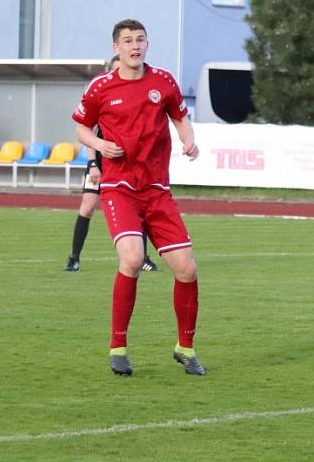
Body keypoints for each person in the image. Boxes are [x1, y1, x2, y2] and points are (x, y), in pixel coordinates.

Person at [72, 19, 204, 377]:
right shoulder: (101, 88)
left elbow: (180, 115)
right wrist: (100, 145)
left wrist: (187, 139)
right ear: (116, 47)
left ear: (147, 45)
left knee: (187, 269)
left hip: (157, 189)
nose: (135, 46)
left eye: (140, 40)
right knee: (131, 259)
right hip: (119, 188)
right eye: (128, 41)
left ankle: (186, 348)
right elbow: (82, 127)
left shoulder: (163, 81)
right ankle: (118, 347)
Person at [64, 58, 159, 273]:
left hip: (127, 165)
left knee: (138, 208)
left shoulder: (136, 96)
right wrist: (92, 164)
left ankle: (143, 258)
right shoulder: (103, 94)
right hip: (100, 162)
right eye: (117, 68)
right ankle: (74, 257)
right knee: (87, 206)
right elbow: (88, 130)